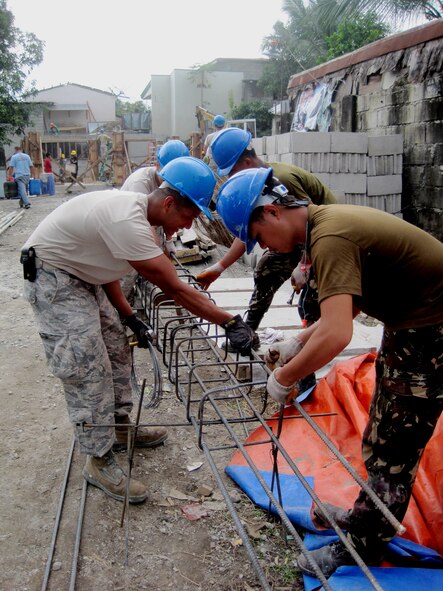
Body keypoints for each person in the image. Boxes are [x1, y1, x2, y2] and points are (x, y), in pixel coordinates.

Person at [216, 166, 443, 580]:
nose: (264, 246)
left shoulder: (330, 238)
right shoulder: (325, 225)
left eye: (259, 237)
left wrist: (284, 378)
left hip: (430, 331)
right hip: (416, 324)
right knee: (383, 432)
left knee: (392, 445)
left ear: (270, 213)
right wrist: (297, 344)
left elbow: (339, 332)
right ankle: (368, 521)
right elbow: (347, 310)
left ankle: (365, 542)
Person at [21, 156, 258, 506]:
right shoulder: (127, 218)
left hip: (82, 275)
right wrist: (229, 322)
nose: (185, 227)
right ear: (167, 203)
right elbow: (175, 288)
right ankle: (98, 458)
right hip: (54, 278)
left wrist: (128, 316)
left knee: (117, 343)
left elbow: (105, 267)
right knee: (87, 364)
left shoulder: (136, 215)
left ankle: (117, 426)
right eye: (188, 217)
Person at [197, 127, 336, 389]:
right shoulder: (258, 182)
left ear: (247, 163)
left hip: (325, 239)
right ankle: (248, 332)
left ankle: (304, 371)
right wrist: (219, 266)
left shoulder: (280, 178)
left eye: (233, 171)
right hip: (303, 240)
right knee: (266, 270)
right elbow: (249, 230)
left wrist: (305, 265)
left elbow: (307, 221)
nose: (232, 179)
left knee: (311, 303)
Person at [120, 139, 190, 297]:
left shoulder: (173, 185)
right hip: (131, 227)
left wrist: (169, 240)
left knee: (152, 271)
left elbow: (170, 214)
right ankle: (121, 306)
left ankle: (143, 295)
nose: (169, 181)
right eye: (167, 176)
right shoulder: (140, 183)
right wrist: (161, 263)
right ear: (157, 165)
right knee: (129, 271)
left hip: (151, 225)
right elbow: (142, 223)